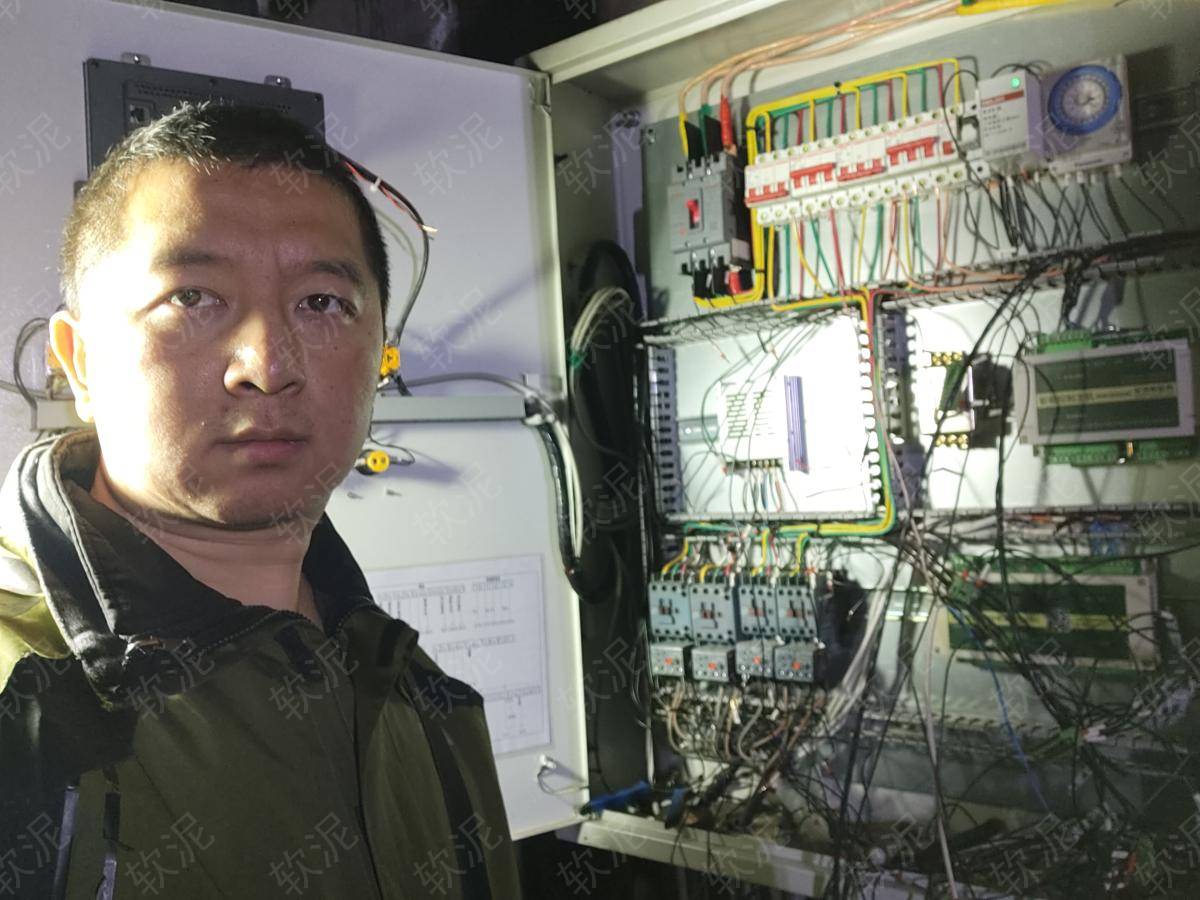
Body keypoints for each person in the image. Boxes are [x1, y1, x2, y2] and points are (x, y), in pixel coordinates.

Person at [0, 100, 521, 898]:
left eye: (322, 303)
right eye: (192, 297)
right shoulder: (23, 705)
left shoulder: (418, 694)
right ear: (80, 363)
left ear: (380, 352)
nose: (269, 365)